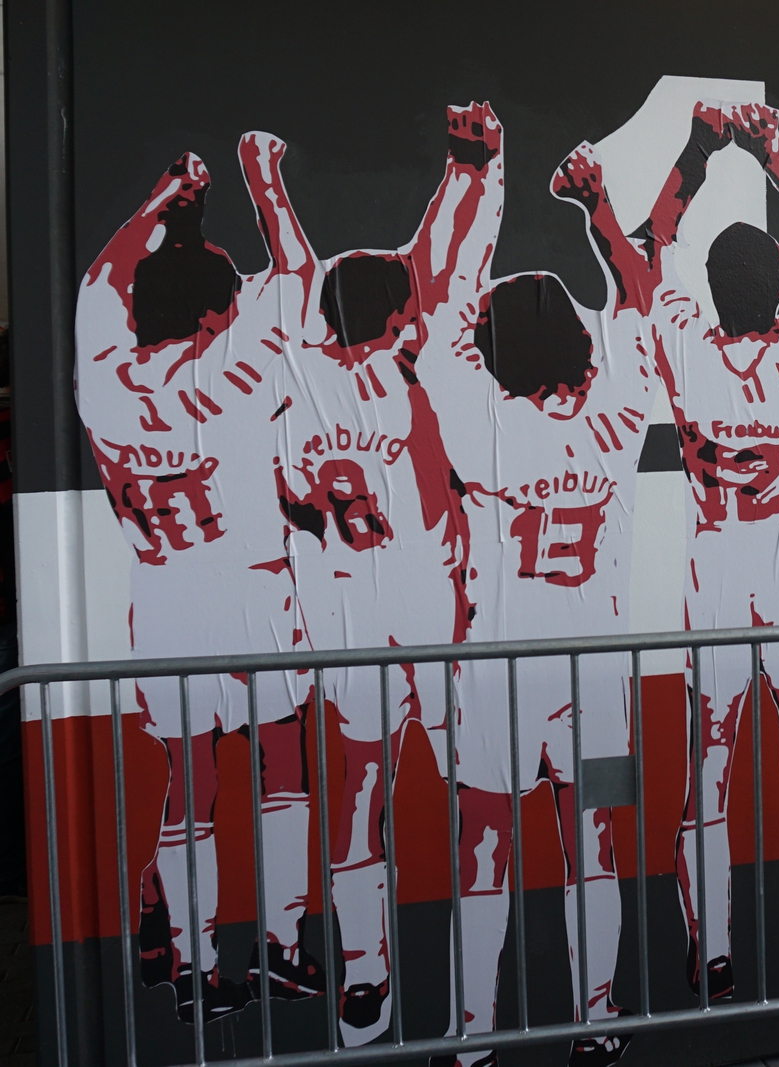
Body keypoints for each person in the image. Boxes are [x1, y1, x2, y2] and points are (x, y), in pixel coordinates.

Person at [416, 132, 657, 1065]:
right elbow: (637, 297)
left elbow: (443, 304)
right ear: (578, 343)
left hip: (497, 674)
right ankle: (597, 1017)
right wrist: (597, 207)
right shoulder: (619, 415)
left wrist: (479, 174)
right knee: (596, 844)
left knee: (483, 851)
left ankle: (472, 1039)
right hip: (595, 676)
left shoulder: (482, 424)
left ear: (494, 352)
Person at [74, 134, 321, 1022]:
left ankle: (190, 960)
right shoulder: (230, 374)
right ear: (218, 314)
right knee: (281, 763)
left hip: (167, 594)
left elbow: (99, 284)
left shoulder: (102, 380)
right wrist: (265, 181)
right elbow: (297, 274)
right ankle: (277, 946)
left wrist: (162, 201)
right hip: (252, 589)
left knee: (191, 786)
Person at [267, 102, 493, 1045]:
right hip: (429, 609)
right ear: (397, 322)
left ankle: (366, 976)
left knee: (358, 798)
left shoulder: (295, 384)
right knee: (475, 795)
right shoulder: (412, 380)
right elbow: (438, 261)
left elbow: (297, 267)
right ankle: (477, 1000)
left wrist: (270, 188)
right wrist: (467, 171)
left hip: (345, 614)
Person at [644, 99, 779, 998]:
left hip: (716, 574)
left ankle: (716, 949)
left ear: (711, 290)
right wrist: (775, 155)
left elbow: (654, 239)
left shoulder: (686, 352)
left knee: (710, 772)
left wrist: (698, 151)